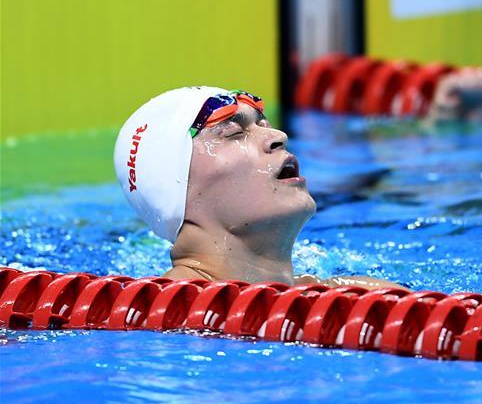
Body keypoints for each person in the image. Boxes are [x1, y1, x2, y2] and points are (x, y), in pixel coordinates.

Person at [114, 86, 404, 289]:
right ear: (176, 188)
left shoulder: (360, 299)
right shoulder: (159, 312)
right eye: (234, 133)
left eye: (264, 125)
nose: (278, 135)